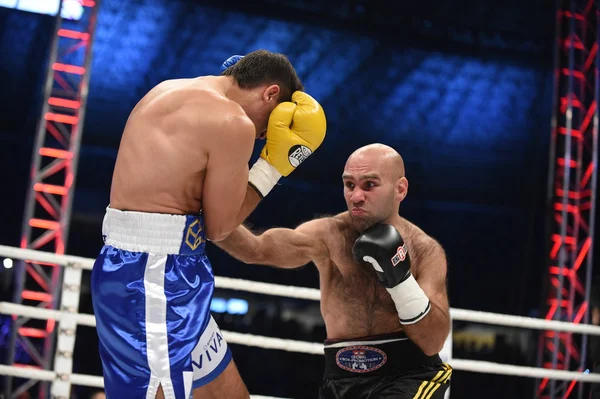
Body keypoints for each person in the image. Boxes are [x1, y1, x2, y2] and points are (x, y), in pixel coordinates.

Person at [90, 50, 327, 399]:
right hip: (154, 279)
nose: (264, 135)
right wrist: (273, 166)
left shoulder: (168, 89)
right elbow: (220, 226)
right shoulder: (234, 122)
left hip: (154, 271)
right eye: (272, 123)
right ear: (271, 93)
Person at [214, 143, 452, 398]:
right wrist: (207, 211)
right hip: (340, 380)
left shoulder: (424, 250)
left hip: (409, 376)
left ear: (400, 189)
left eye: (369, 185)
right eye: (349, 185)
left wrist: (400, 282)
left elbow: (433, 342)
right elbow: (256, 250)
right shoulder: (329, 235)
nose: (356, 196)